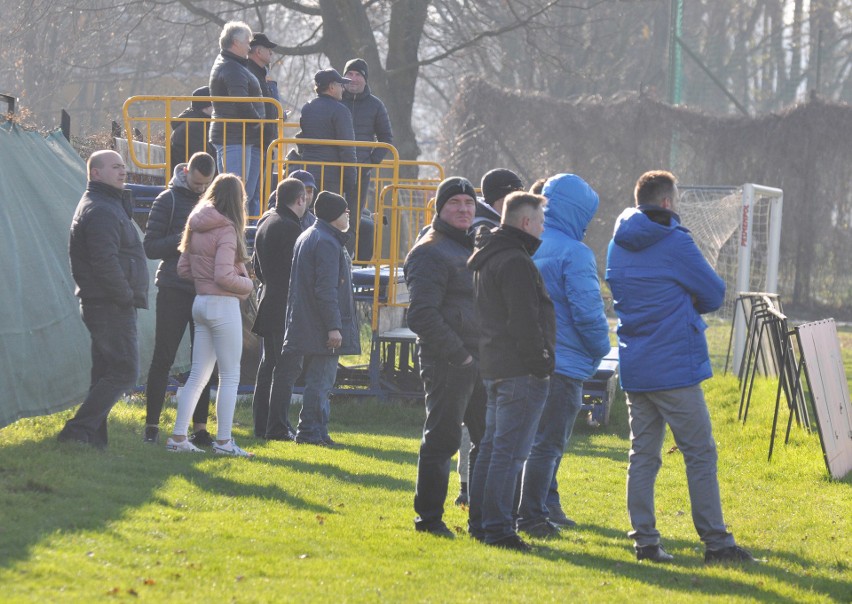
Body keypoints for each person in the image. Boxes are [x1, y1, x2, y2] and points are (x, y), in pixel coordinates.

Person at [606, 170, 755, 564]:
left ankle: (645, 542)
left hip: (636, 363)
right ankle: (717, 544)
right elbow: (713, 293)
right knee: (700, 453)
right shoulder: (675, 241)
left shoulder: (615, 244)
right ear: (668, 203)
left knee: (643, 455)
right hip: (674, 365)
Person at [516, 174, 611, 538]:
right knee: (549, 444)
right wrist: (601, 349)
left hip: (525, 360)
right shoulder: (575, 253)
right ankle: (534, 515)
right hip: (564, 363)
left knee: (525, 440)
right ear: (579, 212)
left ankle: (539, 505)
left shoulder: (527, 242)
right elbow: (588, 313)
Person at [467, 192, 555, 551]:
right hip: (519, 369)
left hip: (495, 364)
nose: (543, 228)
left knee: (491, 448)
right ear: (525, 223)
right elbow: (523, 322)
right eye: (541, 221)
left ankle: (482, 524)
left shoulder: (490, 256)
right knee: (509, 453)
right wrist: (542, 364)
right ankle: (499, 528)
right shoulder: (516, 261)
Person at [404, 177, 486, 538]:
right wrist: (461, 357)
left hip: (479, 359)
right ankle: (429, 520)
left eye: (469, 203)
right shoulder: (430, 251)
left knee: (489, 439)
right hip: (448, 361)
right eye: (455, 203)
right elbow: (421, 315)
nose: (464, 209)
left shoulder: (470, 247)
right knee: (442, 440)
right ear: (440, 208)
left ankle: (484, 517)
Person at [59, 150, 149, 449]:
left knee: (104, 372)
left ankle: (93, 440)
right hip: (110, 304)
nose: (123, 171)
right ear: (95, 173)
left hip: (106, 302)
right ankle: (77, 430)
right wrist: (124, 295)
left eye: (123, 166)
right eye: (114, 167)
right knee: (124, 371)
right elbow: (104, 261)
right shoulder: (100, 210)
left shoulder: (109, 205)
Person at [166, 174, 255, 457]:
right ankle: (224, 442)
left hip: (200, 302)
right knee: (230, 377)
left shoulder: (195, 223)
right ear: (236, 199)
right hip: (222, 306)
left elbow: (183, 269)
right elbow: (224, 275)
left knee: (197, 376)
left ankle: (178, 437)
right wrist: (248, 284)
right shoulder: (227, 229)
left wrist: (205, 282)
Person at [267, 191, 360, 447]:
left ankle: (318, 431)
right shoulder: (327, 242)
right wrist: (334, 326)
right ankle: (310, 431)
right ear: (333, 215)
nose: (348, 214)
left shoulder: (309, 235)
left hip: (307, 319)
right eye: (344, 210)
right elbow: (326, 289)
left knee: (318, 379)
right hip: (321, 324)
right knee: (321, 380)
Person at [142, 152, 217, 445]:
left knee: (204, 361)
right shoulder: (167, 200)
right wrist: (186, 236)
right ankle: (151, 425)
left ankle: (200, 428)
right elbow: (150, 247)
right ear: (186, 171)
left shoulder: (212, 202)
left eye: (205, 185)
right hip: (174, 288)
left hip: (203, 289)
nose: (200, 189)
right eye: (197, 183)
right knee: (164, 357)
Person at [251, 178, 308, 440]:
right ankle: (277, 427)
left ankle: (263, 424)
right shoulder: (290, 228)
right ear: (300, 200)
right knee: (286, 368)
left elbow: (258, 267)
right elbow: (298, 274)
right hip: (285, 305)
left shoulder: (266, 220)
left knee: (269, 366)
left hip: (269, 299)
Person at [209, 21, 265, 219]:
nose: (250, 47)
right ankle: (231, 238)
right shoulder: (231, 68)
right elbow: (241, 101)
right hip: (235, 136)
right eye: (247, 42)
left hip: (241, 136)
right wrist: (258, 121)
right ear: (235, 42)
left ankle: (237, 238)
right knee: (234, 194)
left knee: (242, 194)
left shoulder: (232, 64)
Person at [341, 58, 393, 259]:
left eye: (358, 74)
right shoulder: (334, 99)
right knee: (328, 215)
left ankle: (348, 260)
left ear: (365, 79)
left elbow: (386, 138)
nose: (353, 79)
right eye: (349, 74)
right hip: (332, 168)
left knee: (353, 218)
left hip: (360, 172)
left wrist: (370, 163)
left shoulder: (375, 105)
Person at [294, 69, 357, 205]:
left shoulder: (307, 108)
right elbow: (347, 148)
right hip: (331, 174)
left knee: (308, 215)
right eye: (340, 85)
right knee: (330, 217)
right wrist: (351, 179)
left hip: (308, 171)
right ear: (332, 87)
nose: (343, 89)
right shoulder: (340, 111)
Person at [246, 33, 282, 153]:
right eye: (268, 49)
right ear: (259, 51)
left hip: (264, 141)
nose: (271, 53)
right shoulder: (250, 73)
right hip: (256, 142)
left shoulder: (260, 74)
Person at [170, 87, 215, 174]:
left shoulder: (195, 121)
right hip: (188, 176)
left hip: (189, 174)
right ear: (206, 106)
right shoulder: (195, 125)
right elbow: (204, 158)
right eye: (215, 104)